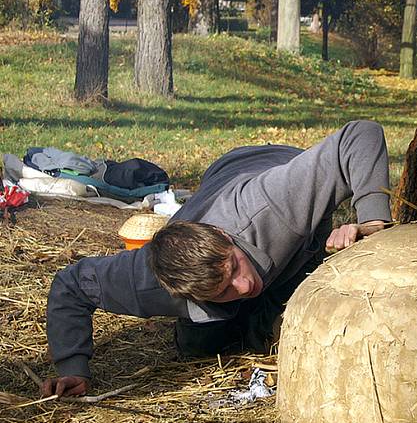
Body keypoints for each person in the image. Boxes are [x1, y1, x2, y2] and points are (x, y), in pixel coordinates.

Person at [42, 121, 392, 397]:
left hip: (261, 167)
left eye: (234, 267)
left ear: (224, 237)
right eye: (223, 290)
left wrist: (372, 224)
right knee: (201, 348)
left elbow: (359, 135)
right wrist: (72, 367)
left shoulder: (272, 203)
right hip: (231, 223)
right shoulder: (144, 282)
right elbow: (71, 285)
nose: (244, 284)